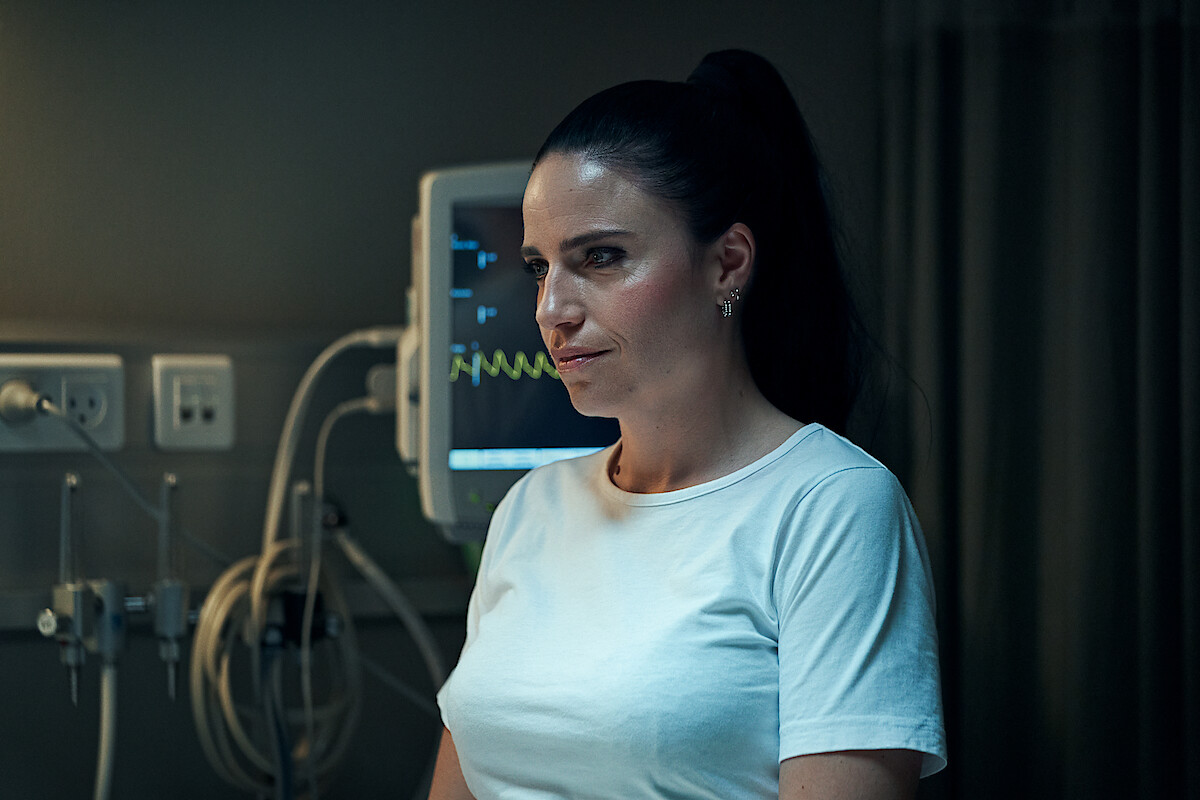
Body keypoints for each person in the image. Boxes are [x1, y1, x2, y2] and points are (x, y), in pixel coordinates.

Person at [428, 49, 946, 800]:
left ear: (728, 263)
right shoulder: (529, 510)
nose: (552, 311)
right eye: (540, 267)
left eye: (600, 257)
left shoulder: (832, 508)